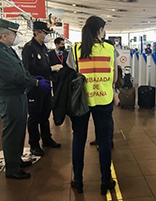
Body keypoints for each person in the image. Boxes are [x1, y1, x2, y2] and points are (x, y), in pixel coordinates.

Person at [0, 19, 51, 179]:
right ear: (5, 35)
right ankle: (12, 168)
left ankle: (17, 159)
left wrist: (32, 78)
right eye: (14, 33)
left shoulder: (7, 49)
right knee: (12, 132)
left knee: (20, 129)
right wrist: (35, 82)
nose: (15, 37)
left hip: (18, 94)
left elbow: (21, 70)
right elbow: (13, 76)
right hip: (9, 97)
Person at [66, 16, 117, 195]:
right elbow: (114, 76)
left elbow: (70, 76)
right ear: (100, 30)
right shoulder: (110, 49)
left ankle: (78, 181)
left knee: (78, 139)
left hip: (81, 101)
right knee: (104, 142)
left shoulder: (75, 49)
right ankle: (105, 181)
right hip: (104, 100)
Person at [22, 21, 61, 157]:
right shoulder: (29, 48)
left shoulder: (43, 48)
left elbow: (46, 64)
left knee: (45, 114)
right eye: (44, 33)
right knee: (34, 117)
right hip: (34, 87)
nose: (45, 36)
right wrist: (49, 68)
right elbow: (29, 69)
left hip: (45, 86)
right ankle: (34, 144)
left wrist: (53, 73)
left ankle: (46, 138)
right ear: (37, 32)